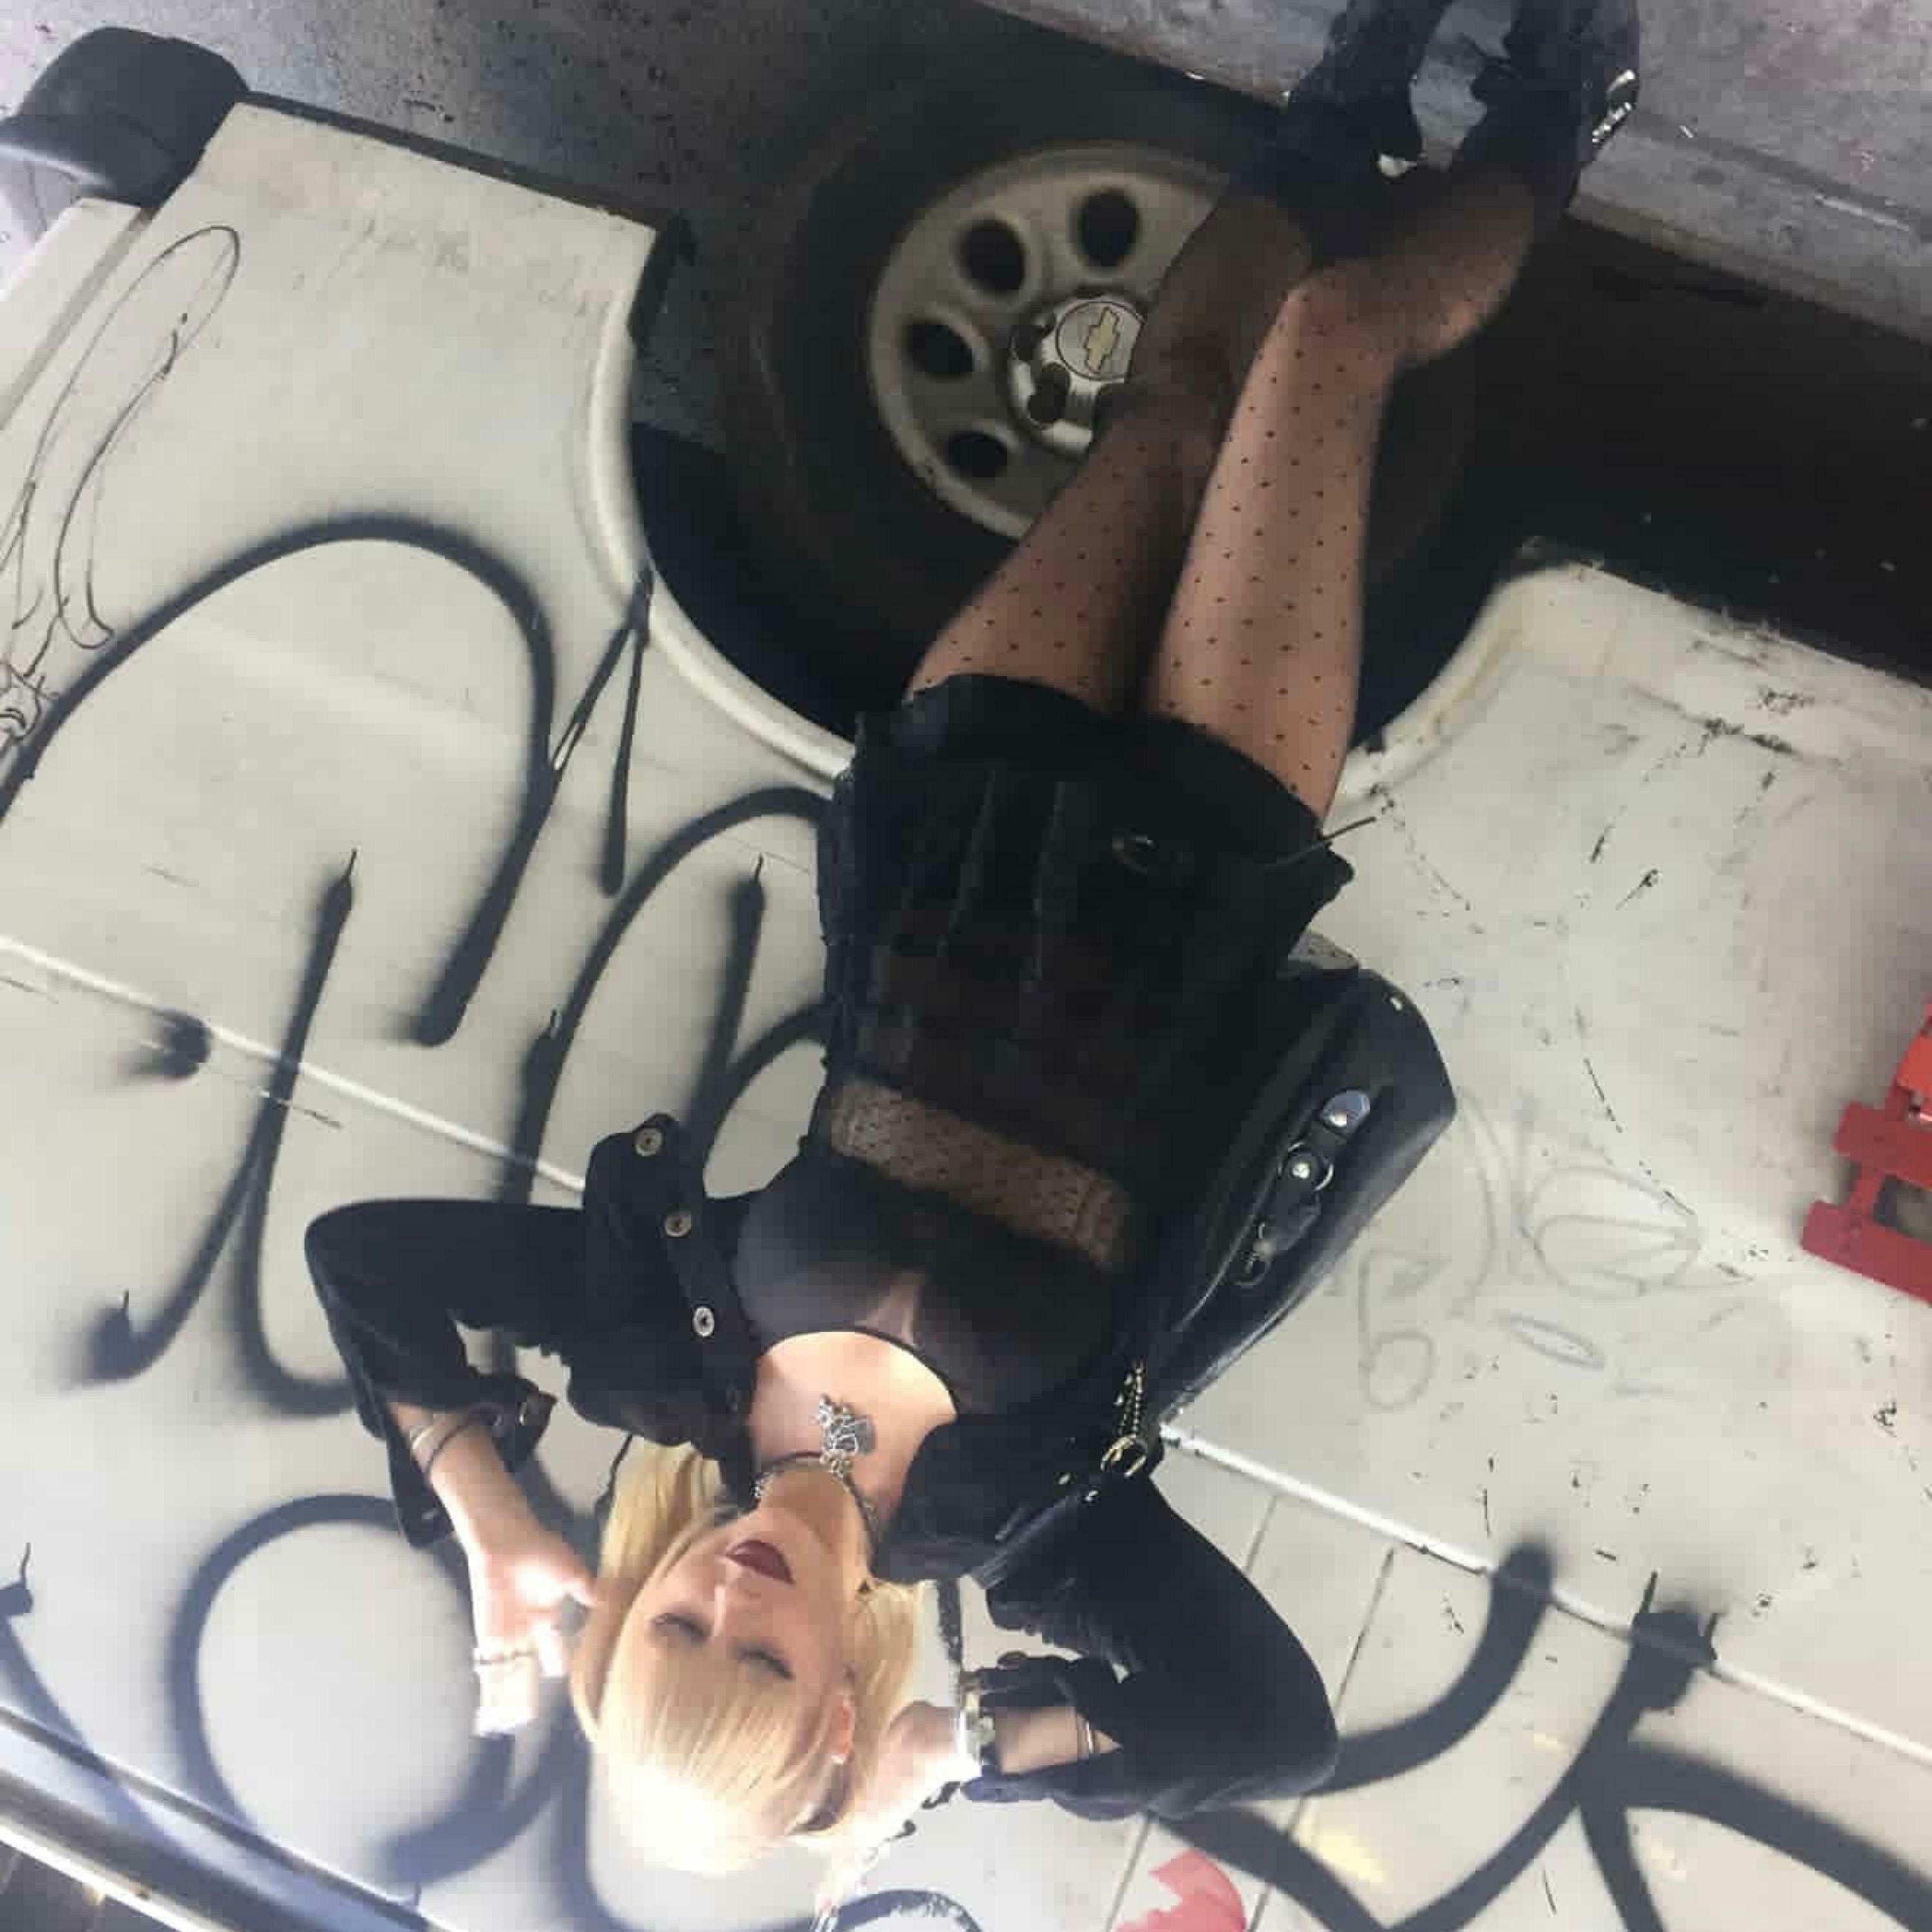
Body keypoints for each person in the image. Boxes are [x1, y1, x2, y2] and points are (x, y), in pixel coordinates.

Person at [306, 0, 1640, 1895]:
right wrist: (972, 1754)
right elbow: (1270, 1729)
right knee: (1334, 347)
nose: (725, 1599)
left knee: (1167, 415)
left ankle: (1345, 102)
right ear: (835, 1710)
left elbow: (361, 1260)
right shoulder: (1022, 1528)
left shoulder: (664, 1366)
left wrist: (485, 1506)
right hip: (1198, 868)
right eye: (760, 1664)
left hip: (963, 834)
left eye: (669, 1628)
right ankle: (1550, 112)